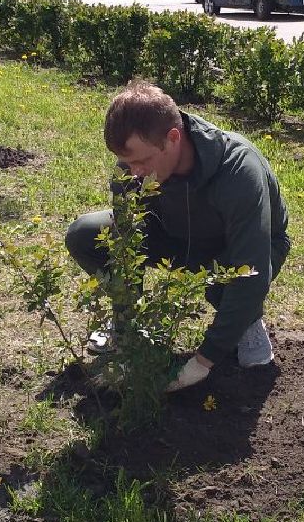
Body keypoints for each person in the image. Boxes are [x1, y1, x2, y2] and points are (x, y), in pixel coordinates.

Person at [65, 80, 290, 392]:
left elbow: (252, 266)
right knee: (85, 234)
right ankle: (125, 327)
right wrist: (128, 321)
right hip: (176, 237)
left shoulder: (238, 170)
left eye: (141, 162)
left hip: (235, 251)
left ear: (173, 138)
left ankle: (246, 321)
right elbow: (126, 245)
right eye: (127, 163)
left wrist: (202, 362)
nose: (133, 173)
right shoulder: (134, 167)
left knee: (233, 285)